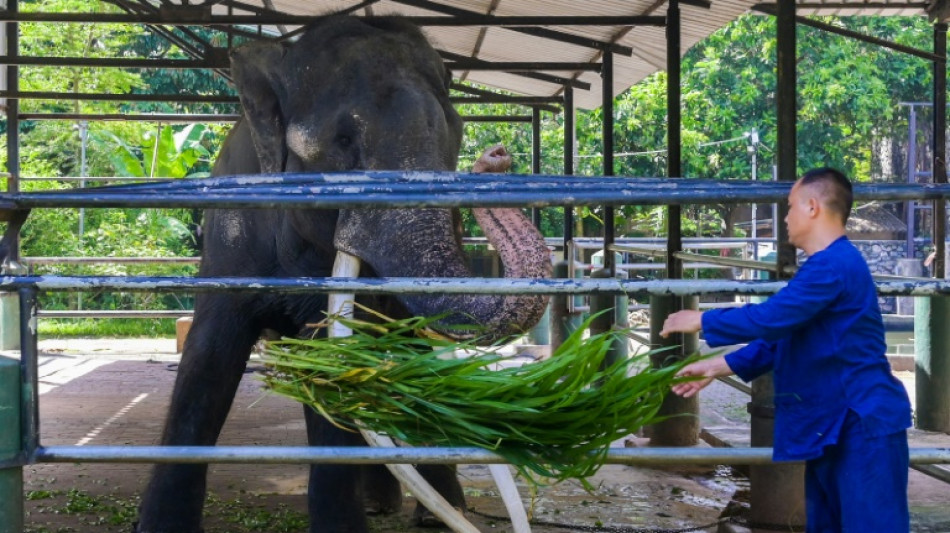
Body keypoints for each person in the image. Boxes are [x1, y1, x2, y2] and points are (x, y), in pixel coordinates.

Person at [660, 168, 912, 533]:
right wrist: (718, 365)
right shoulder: (824, 267)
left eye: (790, 206)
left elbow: (772, 318)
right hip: (834, 425)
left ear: (812, 207)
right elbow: (785, 337)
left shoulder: (834, 266)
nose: (785, 216)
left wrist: (702, 319)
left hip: (860, 422)